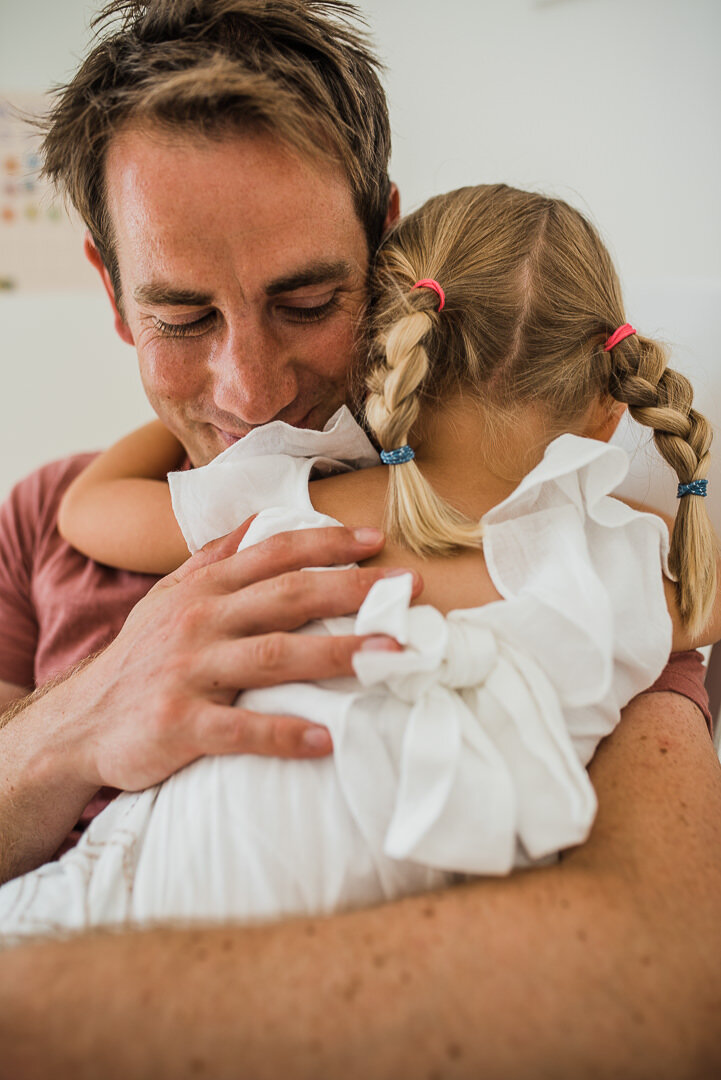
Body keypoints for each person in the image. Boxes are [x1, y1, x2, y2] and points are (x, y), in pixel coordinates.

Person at [0, 1, 719, 1075]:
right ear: (112, 293)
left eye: (306, 299)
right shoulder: (32, 525)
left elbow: (662, 981)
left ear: (386, 251)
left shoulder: (550, 516)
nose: (251, 387)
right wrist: (85, 719)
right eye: (182, 318)